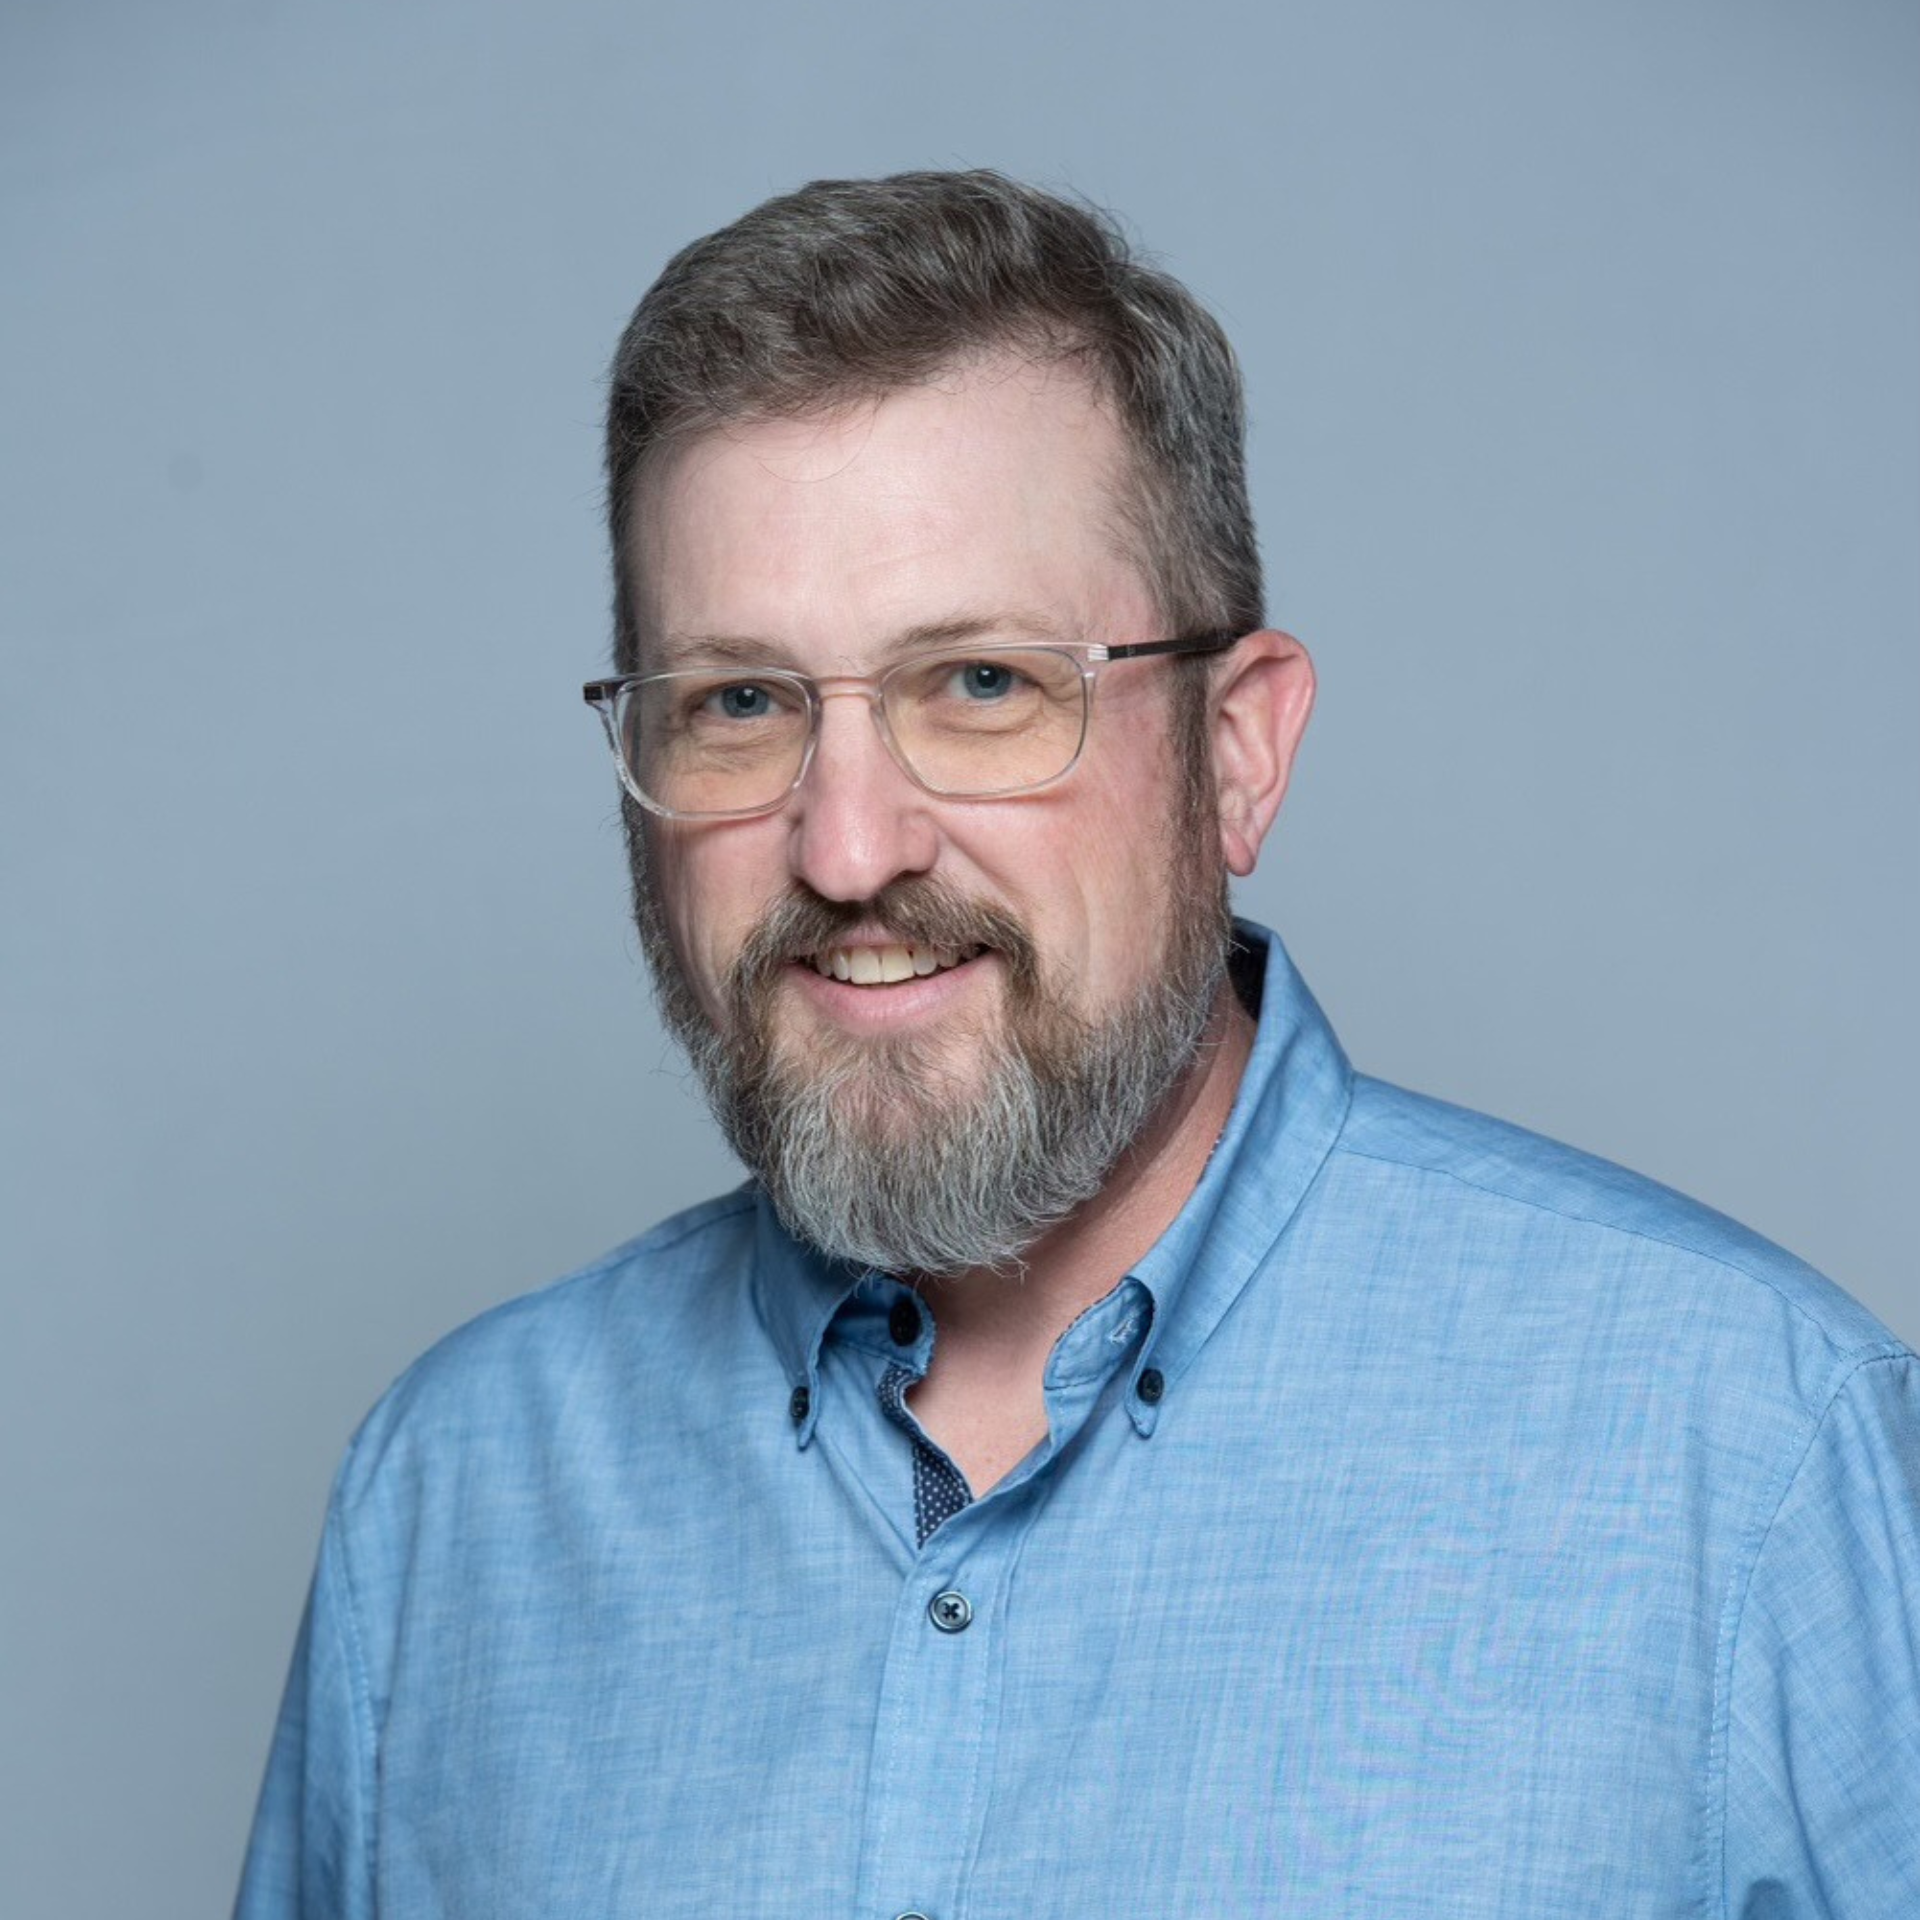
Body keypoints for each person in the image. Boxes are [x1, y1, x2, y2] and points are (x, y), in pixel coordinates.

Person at [235, 171, 1919, 1918]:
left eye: (982, 686)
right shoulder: (448, 1504)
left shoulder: (1749, 1459)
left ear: (1239, 751)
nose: (848, 848)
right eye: (740, 704)